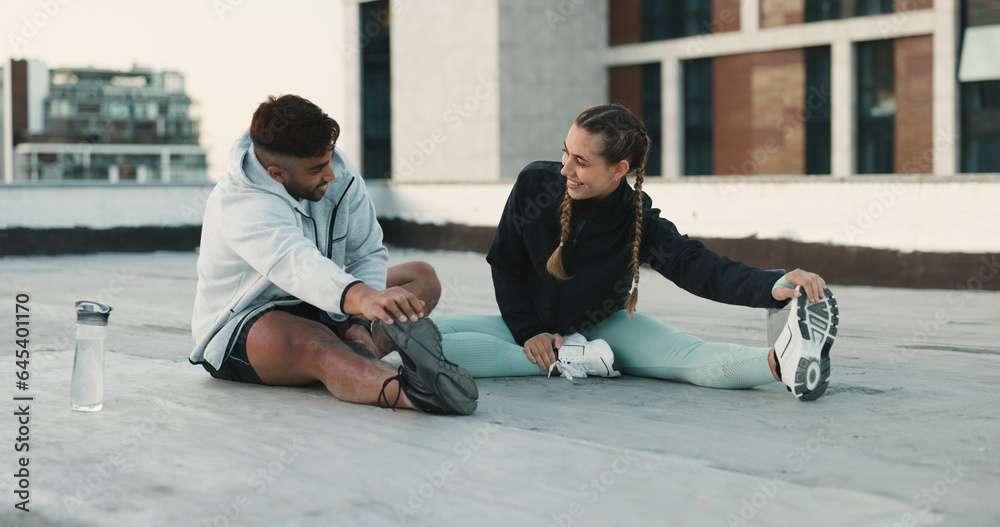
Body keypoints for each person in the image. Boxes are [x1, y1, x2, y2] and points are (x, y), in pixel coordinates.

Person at [432, 104, 838, 401]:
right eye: (565, 152)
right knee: (422, 337)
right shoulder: (534, 185)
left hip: (605, 329)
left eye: (580, 161)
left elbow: (696, 266)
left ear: (618, 169)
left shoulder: (637, 218)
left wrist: (773, 284)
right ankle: (578, 358)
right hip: (528, 323)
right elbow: (505, 262)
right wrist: (529, 331)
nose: (564, 169)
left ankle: (783, 362)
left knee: (691, 359)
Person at [189, 94, 478, 415]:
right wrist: (363, 298)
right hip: (247, 324)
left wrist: (360, 320)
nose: (331, 174)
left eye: (329, 160)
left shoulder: (334, 168)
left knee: (420, 277)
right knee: (314, 341)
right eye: (316, 169)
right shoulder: (242, 202)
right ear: (277, 174)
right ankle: (412, 392)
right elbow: (297, 265)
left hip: (327, 302)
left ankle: (355, 351)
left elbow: (368, 251)